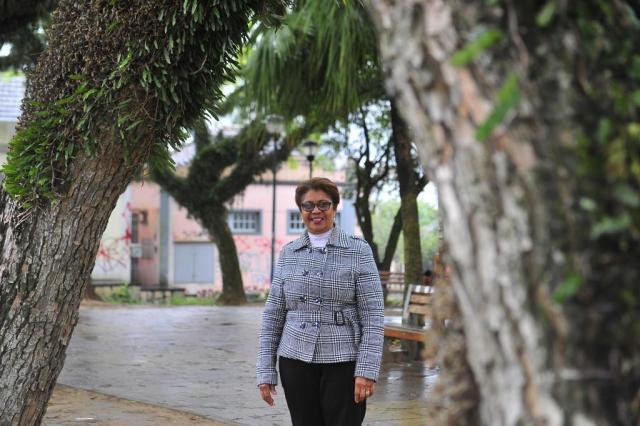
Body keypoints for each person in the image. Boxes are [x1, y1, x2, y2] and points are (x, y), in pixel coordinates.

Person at [256, 177, 384, 426]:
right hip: (295, 362)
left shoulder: (358, 250)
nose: (316, 211)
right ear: (301, 210)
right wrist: (265, 369)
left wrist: (367, 371)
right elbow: (273, 314)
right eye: (308, 205)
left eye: (323, 204)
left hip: (345, 361)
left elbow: (373, 316)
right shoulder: (288, 253)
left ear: (335, 208)